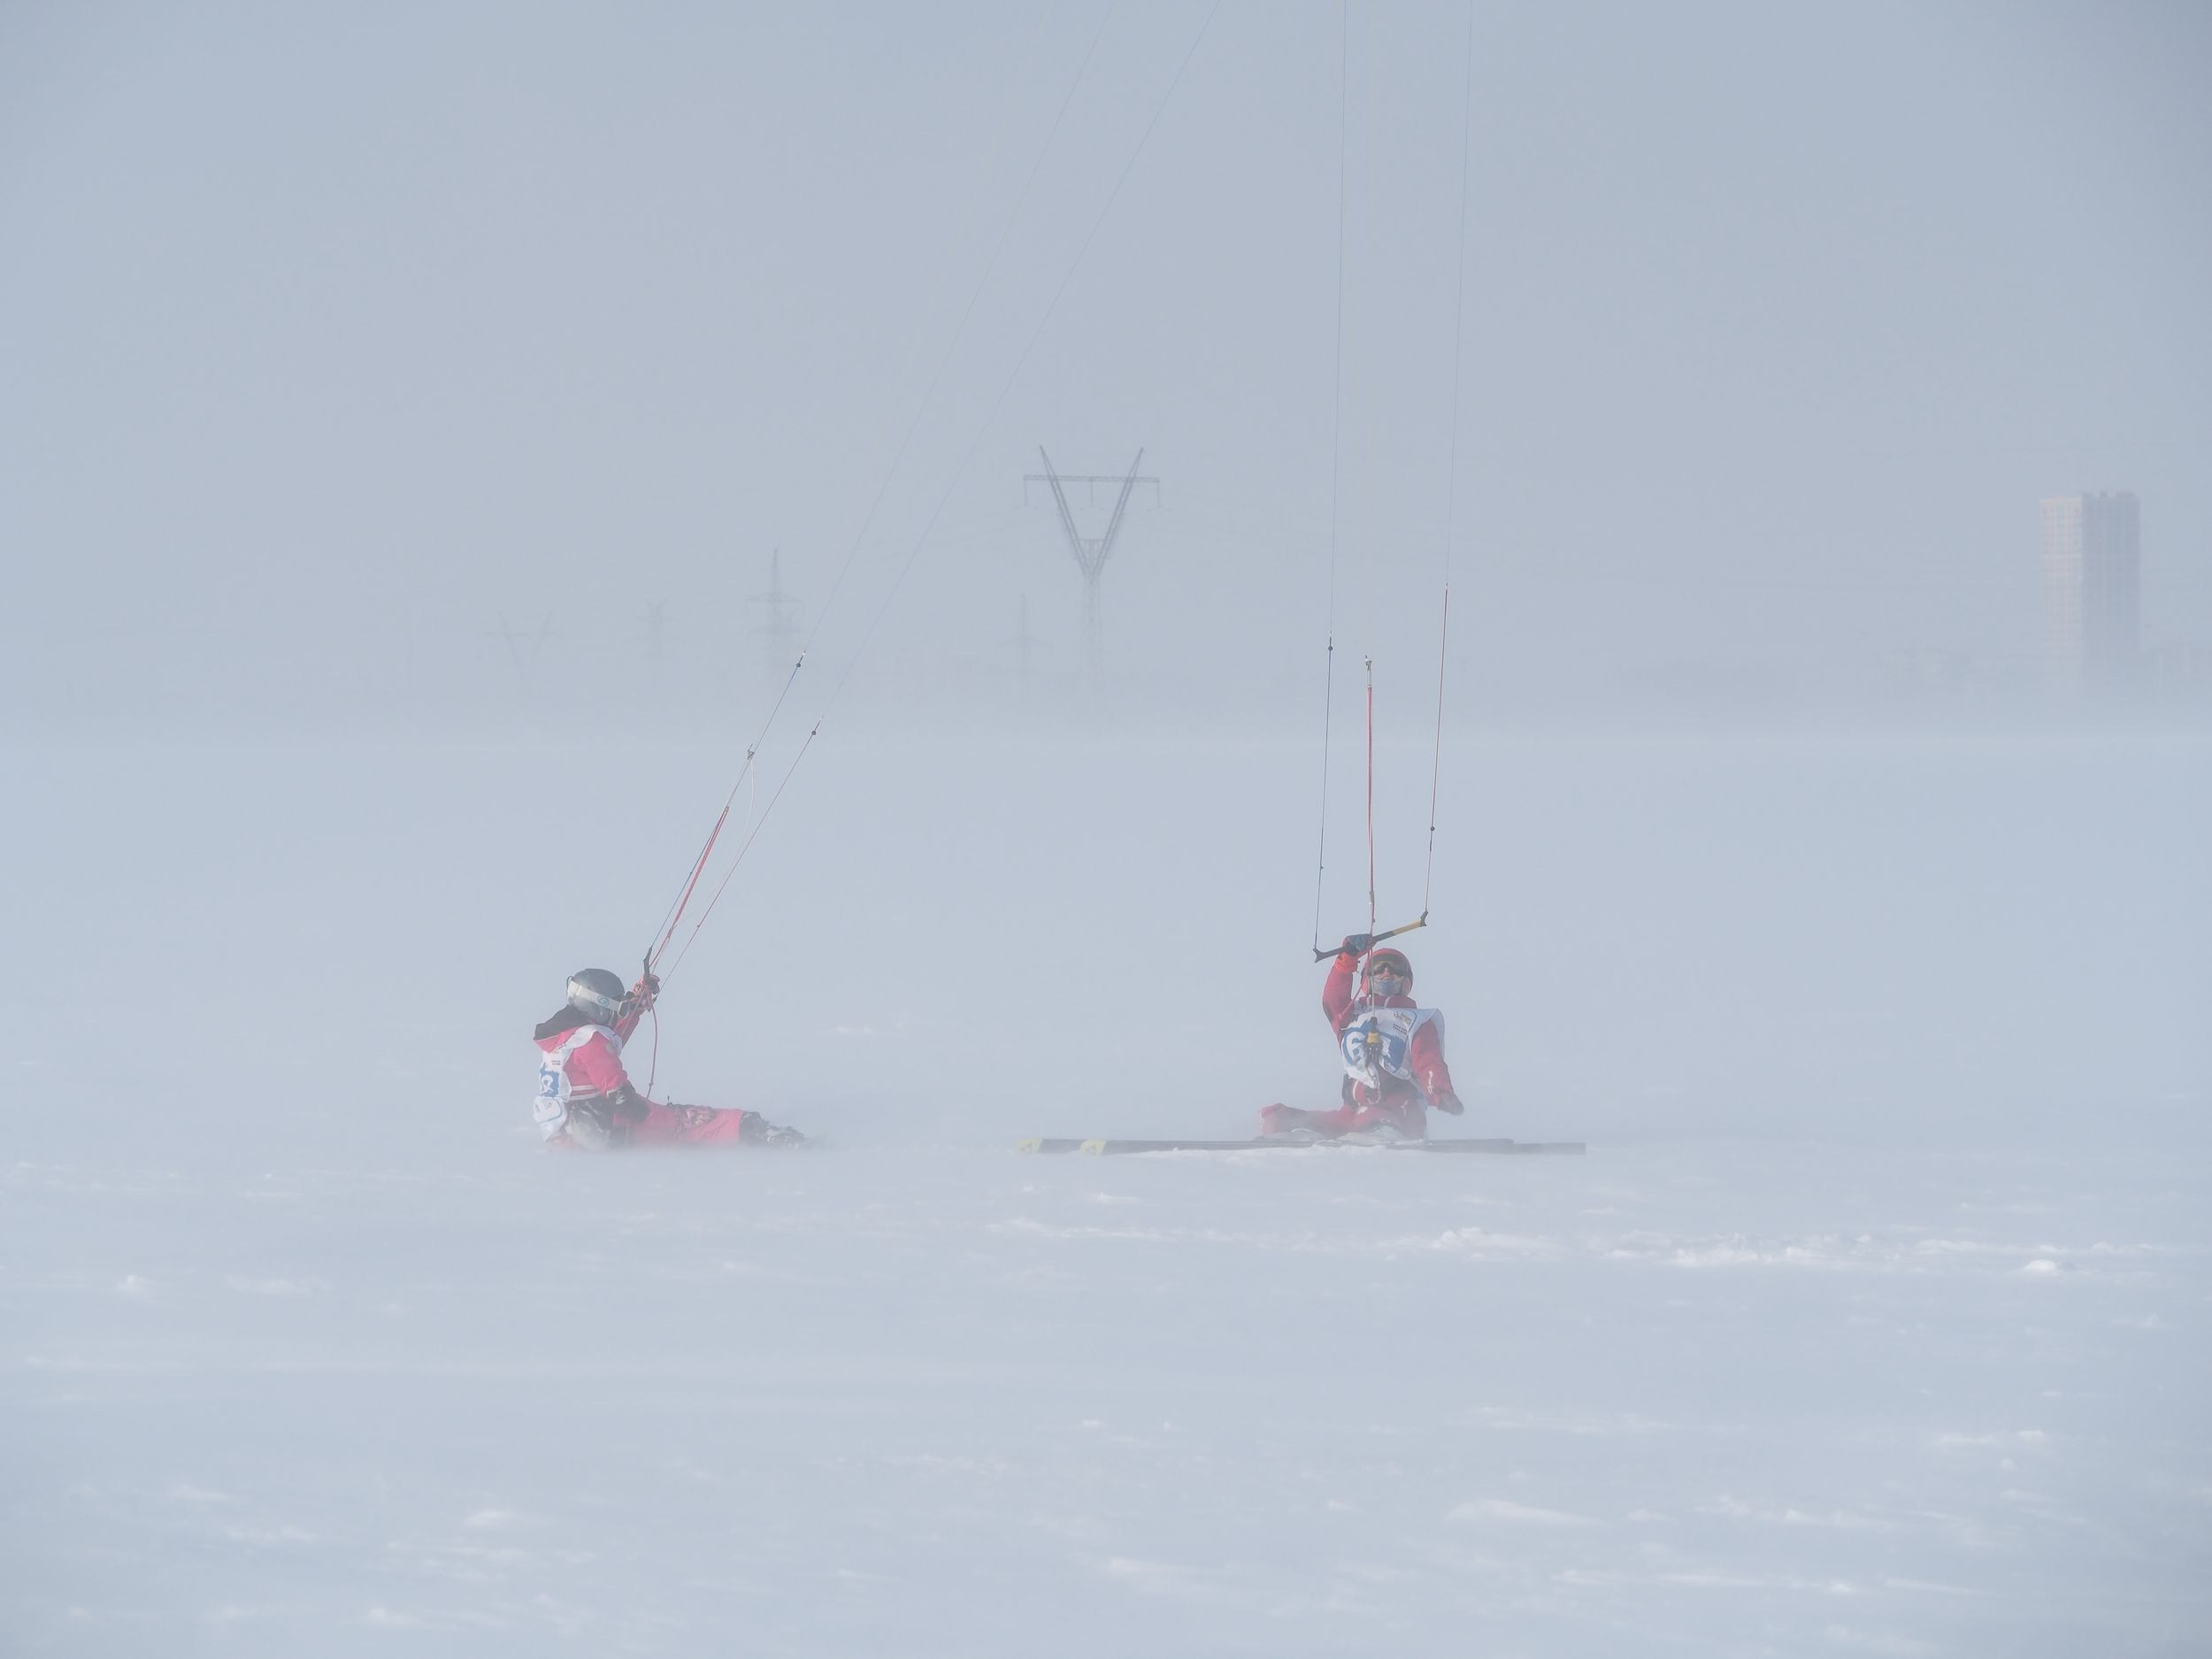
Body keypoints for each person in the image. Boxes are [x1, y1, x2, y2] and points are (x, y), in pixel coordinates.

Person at [533, 968, 804, 1149]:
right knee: (688, 1122)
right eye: (616, 1006)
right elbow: (623, 1100)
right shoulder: (591, 1041)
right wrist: (666, 1120)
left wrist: (635, 1006)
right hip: (607, 1129)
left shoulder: (564, 1037)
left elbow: (607, 1043)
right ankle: (753, 1131)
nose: (619, 1013)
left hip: (565, 1135)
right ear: (598, 1006)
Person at [1258, 934, 1464, 1142]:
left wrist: (1442, 1092)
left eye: (1395, 968)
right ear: (1366, 978)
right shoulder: (1353, 1015)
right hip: (1351, 1113)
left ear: (1407, 981)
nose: (1386, 972)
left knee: (1371, 1117)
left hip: (1400, 1113)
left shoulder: (1417, 1021)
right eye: (1378, 968)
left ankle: (1378, 1138)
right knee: (1284, 1117)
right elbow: (1333, 1000)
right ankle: (1294, 1140)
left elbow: (1429, 1061)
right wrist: (1347, 960)